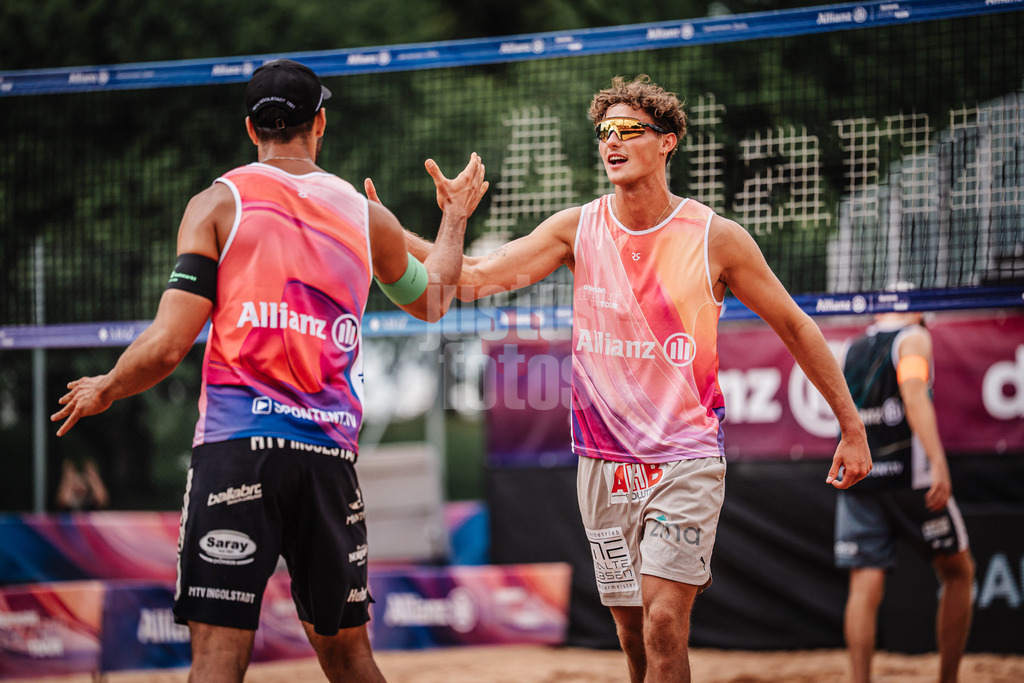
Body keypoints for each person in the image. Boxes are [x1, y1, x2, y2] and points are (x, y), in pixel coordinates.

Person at [376, 74, 873, 683]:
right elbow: (470, 278)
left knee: (665, 621)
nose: (612, 142)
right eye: (604, 132)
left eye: (629, 130)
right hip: (604, 462)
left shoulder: (714, 239)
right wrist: (406, 225)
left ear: (667, 142)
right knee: (632, 632)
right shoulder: (576, 229)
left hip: (685, 458)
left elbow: (796, 327)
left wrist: (851, 425)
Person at [51, 59, 488, 682]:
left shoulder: (217, 202)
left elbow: (169, 345)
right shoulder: (367, 217)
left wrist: (107, 387)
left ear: (251, 130)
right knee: (349, 657)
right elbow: (436, 298)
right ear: (321, 123)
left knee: (219, 659)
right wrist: (452, 216)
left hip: (238, 449)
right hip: (326, 460)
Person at [835, 308, 974, 683]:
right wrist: (938, 462)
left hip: (861, 479)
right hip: (911, 480)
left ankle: (860, 679)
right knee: (959, 573)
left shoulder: (851, 347)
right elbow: (913, 395)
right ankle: (948, 679)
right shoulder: (914, 339)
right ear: (918, 312)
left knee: (864, 585)